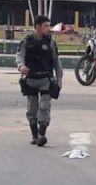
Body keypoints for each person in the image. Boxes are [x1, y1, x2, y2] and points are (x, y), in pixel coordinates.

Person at [16, 15, 63, 147]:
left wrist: (59, 80)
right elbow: (20, 56)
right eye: (46, 26)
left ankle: (42, 133)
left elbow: (57, 63)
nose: (49, 29)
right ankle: (34, 134)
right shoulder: (27, 41)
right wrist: (21, 66)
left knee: (44, 107)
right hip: (30, 79)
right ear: (37, 27)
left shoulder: (51, 42)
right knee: (32, 108)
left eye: (49, 26)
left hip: (45, 79)